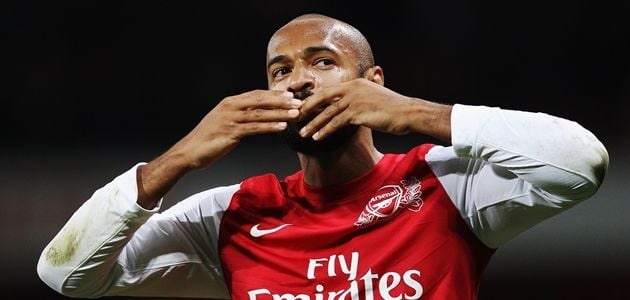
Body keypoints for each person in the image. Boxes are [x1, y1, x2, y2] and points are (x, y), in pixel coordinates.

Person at [37, 13, 609, 300]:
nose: (299, 81)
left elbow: (581, 163)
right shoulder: (232, 215)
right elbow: (65, 274)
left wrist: (413, 113)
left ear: (373, 80)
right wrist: (180, 157)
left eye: (323, 61)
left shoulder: (446, 187)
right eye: (280, 71)